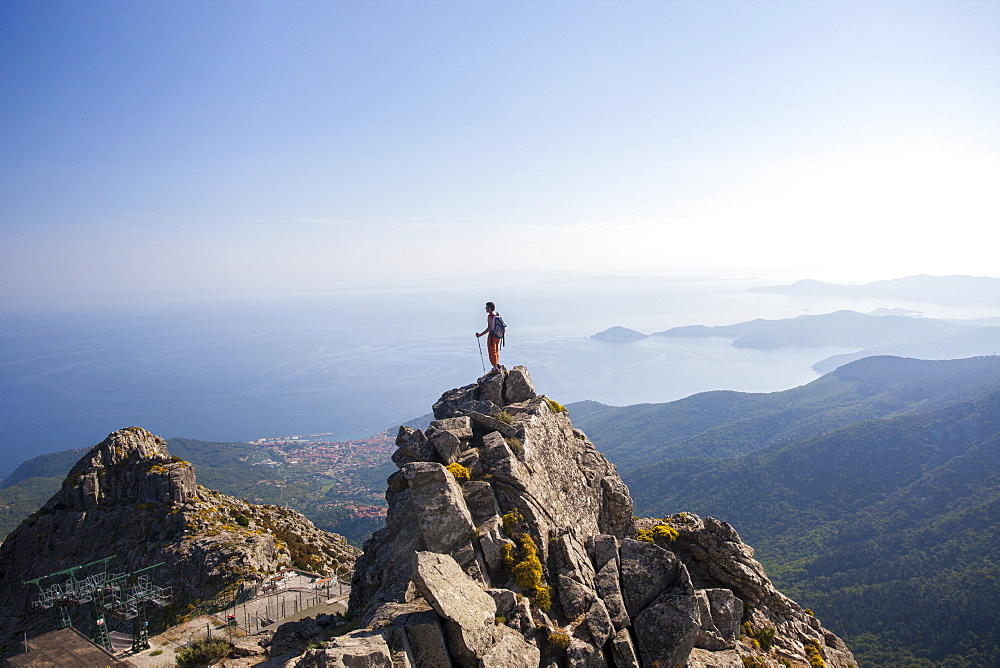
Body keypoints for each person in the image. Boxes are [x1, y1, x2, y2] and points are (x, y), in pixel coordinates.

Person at [476, 301, 502, 374]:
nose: (485, 309)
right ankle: (496, 364)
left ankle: (495, 367)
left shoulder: (490, 316)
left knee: (491, 351)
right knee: (496, 350)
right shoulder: (497, 314)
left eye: (487, 307)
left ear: (490, 308)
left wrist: (480, 335)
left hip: (492, 336)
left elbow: (489, 328)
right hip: (498, 335)